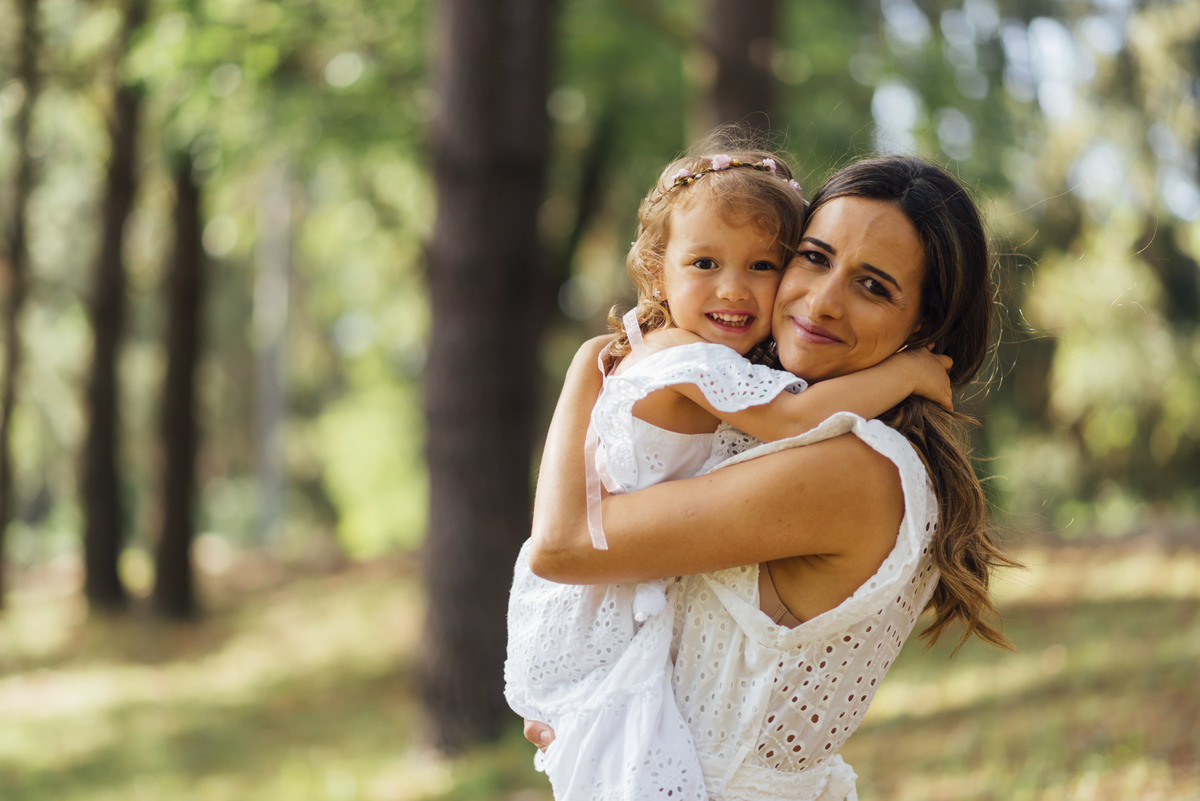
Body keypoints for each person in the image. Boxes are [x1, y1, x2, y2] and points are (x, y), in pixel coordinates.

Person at [524, 155, 1017, 801]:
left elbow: (563, 546)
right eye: (813, 257)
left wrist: (585, 370)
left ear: (924, 324)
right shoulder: (767, 421)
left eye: (873, 286)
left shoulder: (852, 465)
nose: (821, 300)